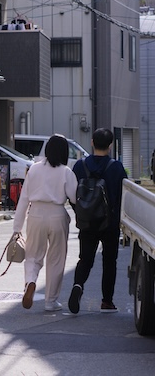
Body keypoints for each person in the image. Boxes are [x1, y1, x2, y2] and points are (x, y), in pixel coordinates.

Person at [12, 134, 77, 312]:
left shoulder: (34, 169)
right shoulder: (66, 171)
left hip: (36, 214)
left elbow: (24, 199)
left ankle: (30, 282)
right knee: (56, 259)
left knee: (33, 255)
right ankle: (50, 301)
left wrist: (17, 228)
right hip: (57, 214)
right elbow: (74, 197)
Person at [68, 128, 128, 314]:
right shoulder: (117, 168)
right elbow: (123, 197)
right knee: (109, 261)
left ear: (92, 142)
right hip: (109, 223)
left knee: (85, 259)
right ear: (110, 146)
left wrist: (80, 211)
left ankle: (78, 285)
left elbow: (72, 194)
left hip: (87, 222)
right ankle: (107, 302)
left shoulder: (79, 166)